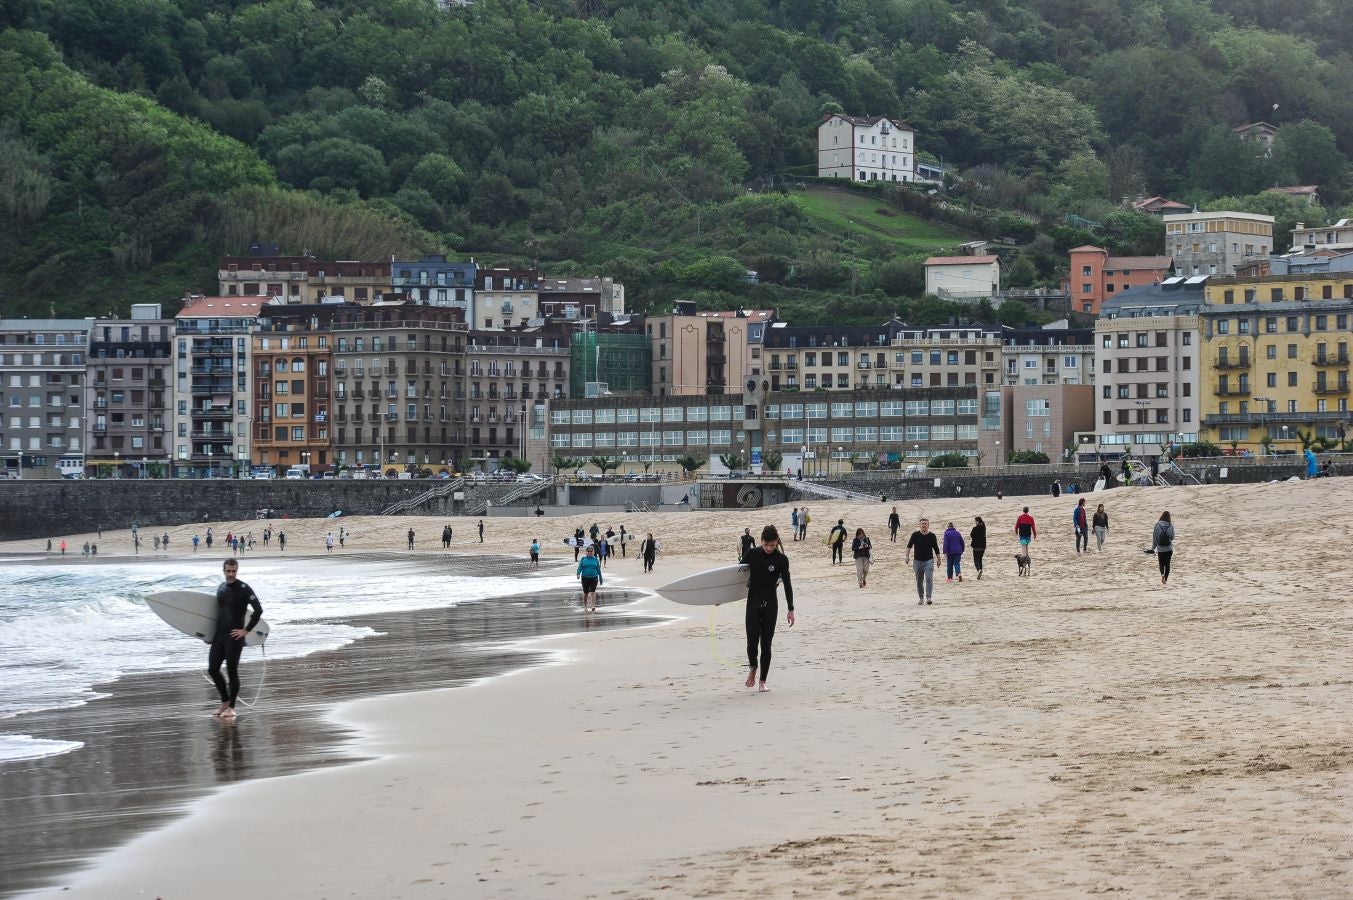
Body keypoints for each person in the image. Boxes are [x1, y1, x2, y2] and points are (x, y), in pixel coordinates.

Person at [207, 558, 263, 721]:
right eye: (228, 571)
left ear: (236, 571)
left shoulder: (244, 588)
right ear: (223, 571)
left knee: (232, 671)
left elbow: (258, 611)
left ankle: (231, 708)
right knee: (212, 669)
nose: (231, 574)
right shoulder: (221, 588)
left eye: (233, 571)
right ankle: (224, 702)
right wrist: (209, 635)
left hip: (234, 637)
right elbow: (217, 614)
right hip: (219, 636)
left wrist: (245, 631)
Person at [743, 525, 794, 693]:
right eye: (766, 545)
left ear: (776, 542)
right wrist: (721, 598)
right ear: (761, 541)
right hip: (753, 604)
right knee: (751, 643)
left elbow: (787, 585)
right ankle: (753, 667)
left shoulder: (781, 559)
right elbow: (735, 577)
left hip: (771, 605)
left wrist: (791, 609)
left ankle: (762, 681)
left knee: (766, 644)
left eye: (772, 545)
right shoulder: (752, 554)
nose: (769, 548)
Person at [906, 519, 940, 605]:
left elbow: (936, 548)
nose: (924, 525)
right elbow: (909, 546)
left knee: (929, 578)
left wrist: (939, 559)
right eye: (922, 524)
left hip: (929, 560)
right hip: (917, 561)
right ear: (919, 525)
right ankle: (921, 598)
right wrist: (907, 556)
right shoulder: (915, 535)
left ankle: (928, 597)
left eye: (925, 524)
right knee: (919, 580)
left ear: (928, 525)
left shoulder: (932, 536)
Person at [1149, 511, 1175, 585]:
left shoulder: (1157, 525)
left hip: (1160, 549)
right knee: (1167, 565)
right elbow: (1172, 537)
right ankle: (1165, 580)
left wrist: (1153, 548)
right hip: (1169, 549)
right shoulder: (1170, 526)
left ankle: (1162, 574)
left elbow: (1154, 538)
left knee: (1161, 564)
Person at [576, 545, 603, 611]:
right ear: (586, 552)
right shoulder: (583, 559)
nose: (589, 552)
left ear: (593, 552)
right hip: (585, 578)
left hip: (594, 577)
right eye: (588, 551)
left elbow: (598, 569)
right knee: (586, 593)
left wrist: (601, 578)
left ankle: (593, 606)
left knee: (593, 592)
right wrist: (578, 574)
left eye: (591, 551)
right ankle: (585, 606)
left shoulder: (595, 559)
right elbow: (580, 567)